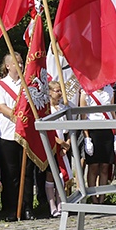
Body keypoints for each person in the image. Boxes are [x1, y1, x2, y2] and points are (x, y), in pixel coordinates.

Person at [0, 53, 34, 221]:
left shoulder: (28, 84)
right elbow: (1, 107)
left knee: (27, 172)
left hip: (26, 135)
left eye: (22, 62)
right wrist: (16, 117)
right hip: (8, 134)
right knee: (11, 173)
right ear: (8, 66)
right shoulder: (0, 86)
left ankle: (27, 207)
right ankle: (11, 208)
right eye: (17, 63)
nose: (21, 66)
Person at [80, 83, 115, 204]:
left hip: (107, 131)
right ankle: (93, 197)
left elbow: (112, 113)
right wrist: (86, 137)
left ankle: (102, 197)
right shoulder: (86, 91)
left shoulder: (109, 90)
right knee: (93, 167)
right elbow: (83, 116)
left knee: (105, 166)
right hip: (93, 131)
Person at [45, 80, 71, 217]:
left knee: (62, 175)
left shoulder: (63, 108)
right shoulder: (47, 110)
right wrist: (59, 142)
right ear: (49, 92)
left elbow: (68, 129)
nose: (60, 93)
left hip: (63, 147)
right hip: (52, 146)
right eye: (57, 91)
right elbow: (47, 131)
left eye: (61, 90)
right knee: (51, 174)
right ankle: (52, 205)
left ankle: (61, 203)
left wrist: (66, 144)